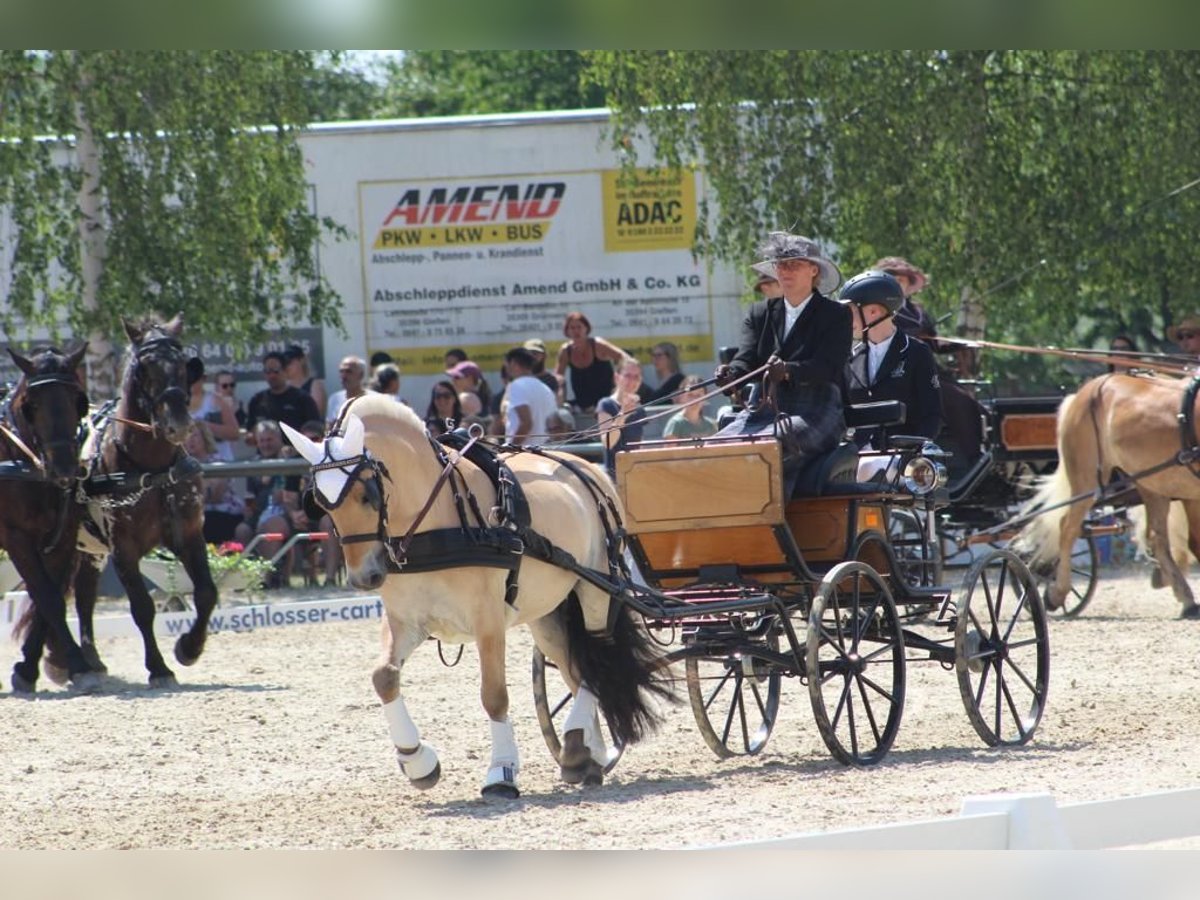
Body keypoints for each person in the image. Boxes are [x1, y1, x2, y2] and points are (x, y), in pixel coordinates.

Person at [714, 232, 851, 492]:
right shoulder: (760, 313)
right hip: (761, 408)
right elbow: (746, 359)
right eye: (780, 265)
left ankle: (768, 519)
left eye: (794, 264)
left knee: (771, 444)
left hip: (817, 410)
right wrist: (730, 376)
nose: (785, 271)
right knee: (715, 447)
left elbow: (829, 366)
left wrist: (788, 371)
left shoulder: (835, 314)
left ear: (813, 270)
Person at [877, 254, 984, 472]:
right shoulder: (881, 310)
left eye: (903, 280)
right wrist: (913, 336)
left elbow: (934, 344)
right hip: (901, 376)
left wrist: (962, 344)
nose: (899, 284)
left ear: (908, 284)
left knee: (973, 403)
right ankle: (973, 460)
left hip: (929, 371)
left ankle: (974, 456)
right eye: (894, 280)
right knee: (958, 401)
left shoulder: (918, 311)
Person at [840, 270, 942, 449]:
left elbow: (932, 416)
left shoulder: (917, 353)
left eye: (851, 312)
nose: (846, 320)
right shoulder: (850, 359)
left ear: (874, 311)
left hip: (902, 458)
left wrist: (911, 451)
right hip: (856, 459)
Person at [235, 419, 305, 587]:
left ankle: (268, 580)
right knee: (242, 530)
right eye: (262, 441)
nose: (265, 445)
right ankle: (249, 578)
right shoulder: (254, 464)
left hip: (287, 512)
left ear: (279, 439)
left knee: (269, 526)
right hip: (261, 510)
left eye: (269, 440)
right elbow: (250, 494)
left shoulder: (290, 457)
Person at [554, 311, 633, 414]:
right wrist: (559, 400)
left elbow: (625, 359)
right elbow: (558, 378)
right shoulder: (565, 350)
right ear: (567, 331)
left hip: (608, 403)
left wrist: (620, 385)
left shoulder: (598, 344)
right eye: (572, 328)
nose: (576, 331)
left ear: (586, 328)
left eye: (579, 327)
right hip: (583, 406)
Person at [185, 422, 245, 545]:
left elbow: (215, 496)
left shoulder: (217, 462)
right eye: (187, 436)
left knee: (199, 524)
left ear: (205, 439)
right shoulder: (181, 465)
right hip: (195, 513)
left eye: (195, 435)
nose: (191, 440)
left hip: (223, 513)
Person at [244, 350, 321, 445]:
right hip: (265, 457)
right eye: (268, 371)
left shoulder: (302, 399)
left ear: (285, 371)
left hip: (296, 457)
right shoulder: (257, 400)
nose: (272, 376)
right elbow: (249, 433)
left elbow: (316, 431)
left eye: (276, 371)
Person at [597, 358, 648, 478]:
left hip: (635, 475)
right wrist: (623, 415)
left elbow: (640, 445)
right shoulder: (606, 404)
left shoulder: (639, 409)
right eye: (627, 376)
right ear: (617, 378)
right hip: (614, 476)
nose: (632, 381)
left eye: (636, 377)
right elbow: (608, 442)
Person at [187, 357, 241, 461]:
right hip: (191, 465)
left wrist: (205, 426)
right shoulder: (178, 405)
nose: (190, 385)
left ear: (204, 378)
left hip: (220, 461)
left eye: (194, 381)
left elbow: (234, 433)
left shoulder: (216, 401)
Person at [503, 347, 558, 447]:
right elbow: (553, 423)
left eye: (507, 364)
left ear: (514, 363)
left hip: (524, 453)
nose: (506, 369)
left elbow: (526, 423)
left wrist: (511, 446)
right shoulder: (545, 388)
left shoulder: (517, 385)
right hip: (546, 450)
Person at [663, 375, 717, 439]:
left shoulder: (711, 425)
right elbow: (670, 448)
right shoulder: (676, 423)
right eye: (690, 395)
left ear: (705, 397)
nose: (694, 399)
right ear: (681, 396)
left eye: (698, 395)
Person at [283, 343, 327, 420]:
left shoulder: (314, 385)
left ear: (301, 360)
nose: (286, 366)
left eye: (289, 362)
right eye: (283, 363)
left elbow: (316, 415)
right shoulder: (284, 388)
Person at [325, 355, 367, 425]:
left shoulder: (372, 399)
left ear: (361, 375)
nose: (343, 376)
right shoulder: (334, 399)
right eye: (341, 371)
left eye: (348, 371)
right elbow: (328, 426)